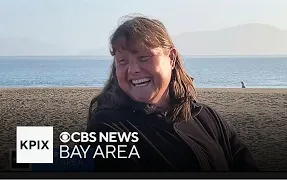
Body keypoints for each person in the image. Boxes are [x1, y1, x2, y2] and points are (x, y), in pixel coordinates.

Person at [84, 15, 258, 172]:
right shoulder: (108, 127)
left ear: (172, 58)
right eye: (122, 61)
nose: (133, 70)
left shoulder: (205, 117)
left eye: (144, 58)